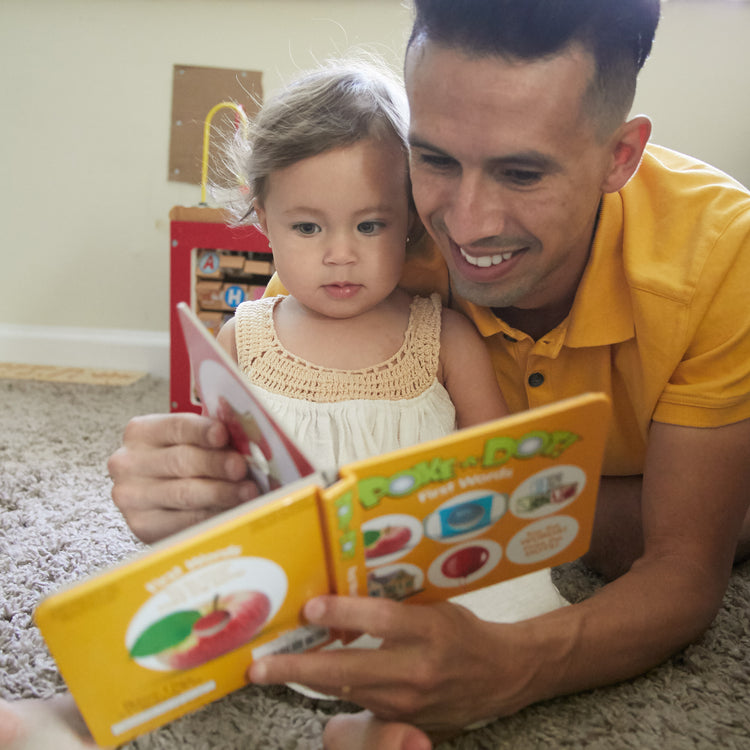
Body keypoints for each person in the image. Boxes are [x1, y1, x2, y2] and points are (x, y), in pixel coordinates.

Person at [107, 1, 750, 749]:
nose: (468, 225)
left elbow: (681, 570)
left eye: (521, 171)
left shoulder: (720, 260)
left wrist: (516, 663)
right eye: (435, 158)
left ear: (620, 155)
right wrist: (189, 482)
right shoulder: (374, 234)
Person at [214, 59, 508, 473]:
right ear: (266, 222)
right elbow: (214, 476)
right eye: (307, 227)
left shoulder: (447, 342)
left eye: (369, 226)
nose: (340, 254)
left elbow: (503, 471)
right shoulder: (240, 342)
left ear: (408, 219)